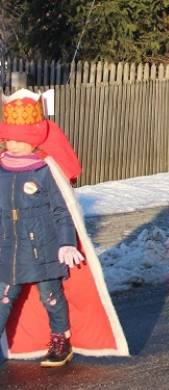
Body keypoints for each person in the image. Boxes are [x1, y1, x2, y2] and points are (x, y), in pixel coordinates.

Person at [0, 89, 128, 366]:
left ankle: (61, 338)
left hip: (44, 249)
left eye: (19, 140)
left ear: (33, 141)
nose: (13, 145)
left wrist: (67, 242)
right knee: (5, 298)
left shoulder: (45, 169)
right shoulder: (1, 169)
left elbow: (62, 210)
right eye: (9, 138)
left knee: (51, 296)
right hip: (9, 249)